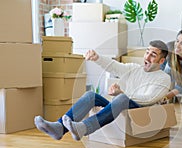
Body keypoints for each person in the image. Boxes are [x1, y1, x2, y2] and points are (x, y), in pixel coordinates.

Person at [34, 40, 171, 141]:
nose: (147, 57)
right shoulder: (135, 69)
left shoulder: (164, 78)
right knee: (90, 96)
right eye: (147, 52)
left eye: (153, 55)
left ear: (161, 61)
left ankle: (84, 128)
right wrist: (97, 58)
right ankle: (59, 128)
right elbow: (115, 67)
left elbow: (148, 99)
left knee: (121, 99)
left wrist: (122, 94)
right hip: (122, 104)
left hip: (140, 110)